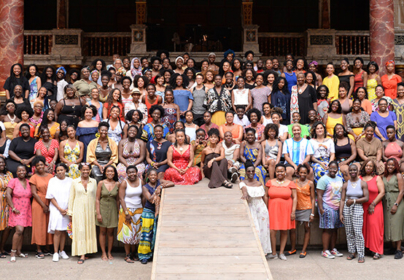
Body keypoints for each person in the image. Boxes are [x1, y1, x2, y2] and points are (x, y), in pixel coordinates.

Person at [138, 169, 174, 264]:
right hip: (148, 211)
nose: (153, 177)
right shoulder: (145, 187)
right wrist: (156, 192)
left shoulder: (159, 182)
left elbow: (171, 183)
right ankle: (144, 256)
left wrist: (161, 186)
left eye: (155, 175)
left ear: (157, 176)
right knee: (146, 234)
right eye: (151, 175)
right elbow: (150, 199)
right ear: (148, 177)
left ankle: (154, 255)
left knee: (156, 234)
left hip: (159, 211)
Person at [67, 163, 98, 264]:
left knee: (89, 230)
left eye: (87, 170)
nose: (85, 172)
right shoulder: (75, 182)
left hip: (90, 210)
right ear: (80, 170)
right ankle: (81, 254)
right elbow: (71, 197)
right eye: (83, 170)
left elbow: (95, 198)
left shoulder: (94, 182)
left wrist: (96, 211)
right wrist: (70, 212)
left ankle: (88, 251)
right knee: (80, 231)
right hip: (78, 210)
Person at [266, 163, 297, 261]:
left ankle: (281, 252)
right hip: (272, 209)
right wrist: (266, 209)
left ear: (285, 172)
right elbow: (266, 196)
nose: (280, 173)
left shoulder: (290, 183)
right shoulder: (270, 182)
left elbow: (295, 198)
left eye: (282, 171)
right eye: (278, 171)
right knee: (272, 231)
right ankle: (274, 253)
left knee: (284, 231)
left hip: (286, 210)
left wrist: (293, 212)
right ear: (275, 172)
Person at [240, 161, 271, 256]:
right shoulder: (243, 183)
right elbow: (244, 190)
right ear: (246, 172)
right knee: (256, 230)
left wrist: (267, 208)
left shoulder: (259, 183)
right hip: (251, 207)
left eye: (252, 171)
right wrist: (245, 194)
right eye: (248, 171)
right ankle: (255, 252)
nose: (250, 173)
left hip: (261, 208)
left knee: (263, 229)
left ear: (254, 172)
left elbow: (264, 196)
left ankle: (263, 252)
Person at [339, 164, 369, 263]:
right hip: (347, 208)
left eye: (354, 170)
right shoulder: (345, 184)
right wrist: (341, 213)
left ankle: (361, 254)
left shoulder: (363, 183)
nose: (353, 172)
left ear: (358, 171)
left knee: (358, 232)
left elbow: (366, 198)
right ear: (348, 171)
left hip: (357, 207)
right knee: (349, 232)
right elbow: (342, 200)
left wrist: (354, 201)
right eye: (351, 170)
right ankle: (352, 252)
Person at [317, 161, 344, 259]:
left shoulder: (340, 179)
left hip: (337, 207)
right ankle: (325, 250)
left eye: (335, 168)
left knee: (335, 229)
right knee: (327, 229)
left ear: (337, 169)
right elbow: (319, 195)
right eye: (331, 168)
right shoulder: (323, 179)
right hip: (327, 206)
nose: (333, 170)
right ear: (328, 168)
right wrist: (321, 208)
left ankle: (333, 249)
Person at [45, 163, 72, 262]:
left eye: (62, 170)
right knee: (57, 230)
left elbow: (72, 196)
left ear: (65, 170)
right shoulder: (52, 181)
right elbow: (50, 196)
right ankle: (55, 252)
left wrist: (68, 208)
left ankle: (62, 251)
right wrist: (60, 209)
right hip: (56, 209)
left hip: (67, 209)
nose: (60, 172)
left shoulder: (70, 181)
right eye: (58, 170)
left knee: (64, 230)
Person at [360, 159, 385, 259]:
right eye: (367, 166)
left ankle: (377, 251)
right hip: (363, 206)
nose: (368, 168)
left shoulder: (377, 178)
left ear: (373, 168)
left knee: (375, 228)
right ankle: (367, 248)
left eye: (370, 166)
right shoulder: (360, 178)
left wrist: (373, 204)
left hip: (375, 206)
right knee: (364, 228)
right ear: (364, 167)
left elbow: (382, 192)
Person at [118, 166, 143, 263]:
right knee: (127, 233)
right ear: (127, 174)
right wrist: (126, 212)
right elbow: (121, 198)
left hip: (138, 209)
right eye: (129, 172)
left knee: (136, 233)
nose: (131, 174)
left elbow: (142, 196)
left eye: (133, 172)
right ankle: (127, 255)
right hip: (127, 209)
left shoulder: (141, 181)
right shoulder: (124, 182)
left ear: (137, 172)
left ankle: (134, 254)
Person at [6, 165, 31, 262]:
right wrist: (12, 207)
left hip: (26, 209)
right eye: (19, 170)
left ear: (26, 172)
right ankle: (13, 251)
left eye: (23, 170)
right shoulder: (13, 181)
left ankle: (19, 251)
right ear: (16, 172)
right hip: (16, 209)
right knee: (19, 230)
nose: (21, 172)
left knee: (22, 230)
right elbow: (8, 194)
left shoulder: (28, 182)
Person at [30, 156, 54, 258]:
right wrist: (44, 205)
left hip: (50, 202)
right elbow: (34, 193)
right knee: (39, 225)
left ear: (45, 165)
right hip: (38, 203)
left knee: (48, 224)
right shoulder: (33, 177)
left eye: (41, 164)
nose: (40, 166)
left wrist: (49, 204)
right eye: (37, 165)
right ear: (35, 167)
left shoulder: (51, 176)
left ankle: (47, 247)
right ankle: (38, 249)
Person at [95, 165, 119, 261]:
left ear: (114, 173)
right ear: (105, 173)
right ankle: (103, 253)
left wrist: (118, 213)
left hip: (113, 209)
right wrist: (98, 213)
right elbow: (97, 199)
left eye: (112, 171)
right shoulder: (101, 183)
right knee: (102, 232)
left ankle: (109, 252)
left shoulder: (117, 184)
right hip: (102, 208)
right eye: (108, 171)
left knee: (110, 232)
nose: (110, 173)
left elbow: (118, 200)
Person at [382, 158, 404, 259]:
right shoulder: (384, 176)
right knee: (389, 225)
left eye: (392, 165)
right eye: (388, 165)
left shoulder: (398, 175)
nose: (390, 166)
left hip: (397, 201)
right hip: (386, 202)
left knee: (397, 225)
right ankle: (392, 247)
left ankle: (399, 249)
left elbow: (402, 191)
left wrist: (396, 204)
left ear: (396, 166)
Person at [0, 157, 13, 258]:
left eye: (2, 162)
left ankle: (2, 248)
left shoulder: (9, 174)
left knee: (8, 226)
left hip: (8, 202)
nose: (1, 164)